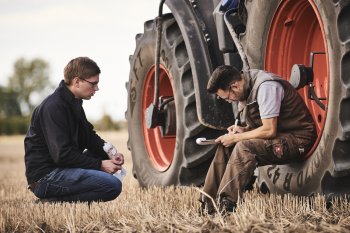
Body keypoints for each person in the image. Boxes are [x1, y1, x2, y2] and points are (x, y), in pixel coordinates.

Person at [200, 65, 316, 214]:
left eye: (228, 98)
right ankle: (207, 203)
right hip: (280, 136)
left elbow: (269, 130)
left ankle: (226, 206)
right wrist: (243, 130)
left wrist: (236, 137)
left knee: (243, 146)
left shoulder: (266, 87)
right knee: (225, 145)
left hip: (298, 138)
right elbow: (267, 125)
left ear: (234, 86)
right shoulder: (246, 88)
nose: (229, 101)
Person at [24, 57, 124, 203]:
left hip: (61, 167)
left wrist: (110, 153)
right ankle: (51, 203)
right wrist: (100, 165)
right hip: (45, 177)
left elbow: (88, 136)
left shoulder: (74, 102)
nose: (97, 88)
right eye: (93, 83)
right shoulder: (54, 107)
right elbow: (63, 155)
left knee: (100, 153)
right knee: (112, 186)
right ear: (77, 81)